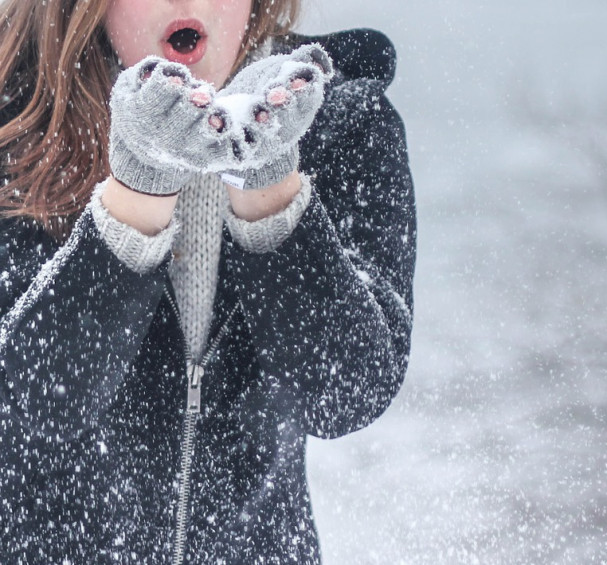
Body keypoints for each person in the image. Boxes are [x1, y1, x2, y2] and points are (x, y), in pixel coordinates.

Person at [0, 0, 416, 563]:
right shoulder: (16, 128)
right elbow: (40, 396)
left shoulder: (340, 122)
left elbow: (347, 394)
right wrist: (138, 191)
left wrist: (270, 191)